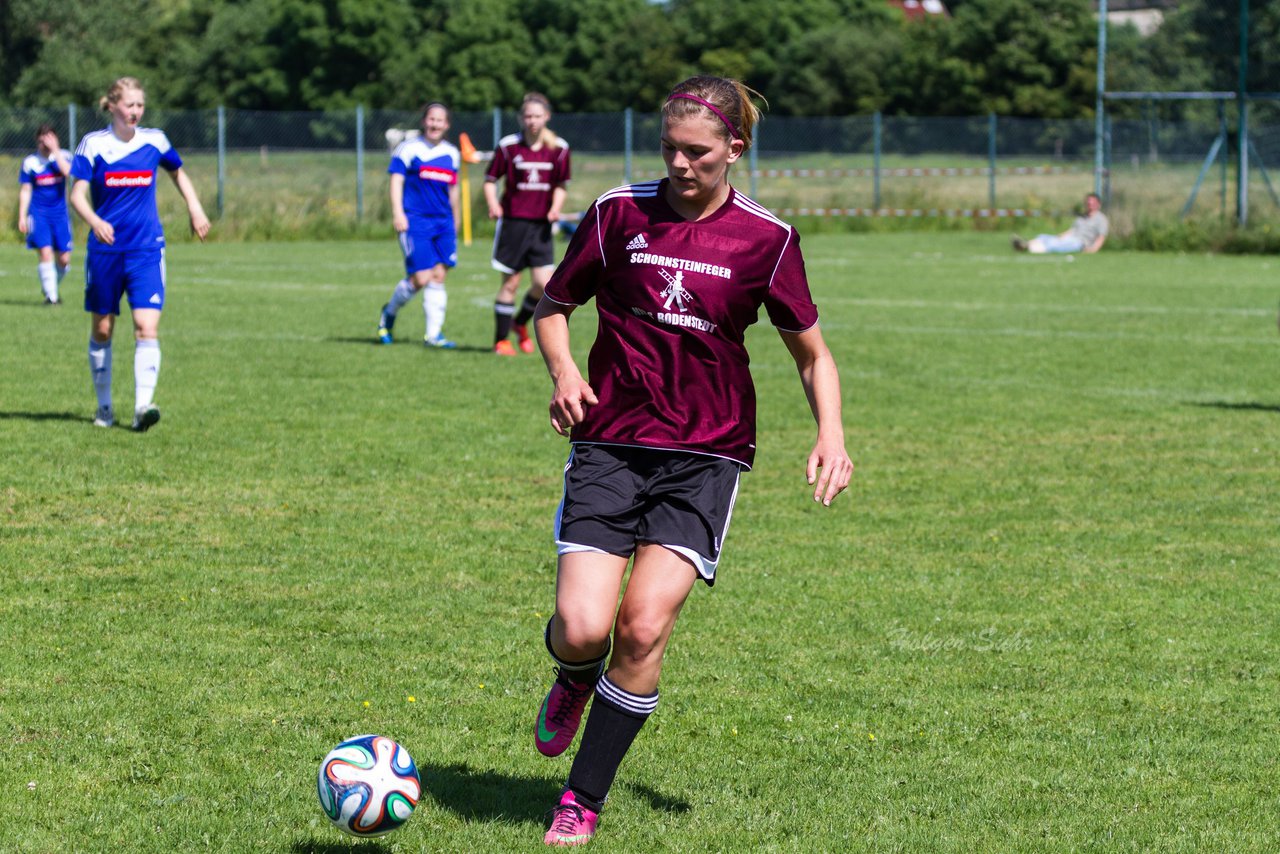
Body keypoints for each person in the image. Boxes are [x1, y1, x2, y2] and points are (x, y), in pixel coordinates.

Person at [530, 75, 853, 846]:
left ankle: (582, 798)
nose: (680, 164)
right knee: (582, 628)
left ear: (734, 150)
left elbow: (811, 354)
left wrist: (831, 433)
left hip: (705, 453)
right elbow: (553, 309)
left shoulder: (765, 239)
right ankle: (574, 676)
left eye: (698, 152)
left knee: (642, 629)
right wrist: (566, 372)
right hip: (610, 441)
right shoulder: (617, 215)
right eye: (670, 148)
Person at [69, 77, 210, 431]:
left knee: (146, 327)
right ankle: (104, 410)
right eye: (129, 105)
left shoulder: (155, 140)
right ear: (113, 106)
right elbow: (76, 195)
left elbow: (179, 173)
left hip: (147, 249)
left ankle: (141, 408)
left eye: (140, 105)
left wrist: (195, 208)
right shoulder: (93, 145)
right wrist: (95, 221)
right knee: (102, 330)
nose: (135, 112)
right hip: (105, 251)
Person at [484, 92, 571, 356]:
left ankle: (519, 323)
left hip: (541, 227)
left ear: (546, 117)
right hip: (513, 224)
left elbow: (561, 185)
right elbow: (490, 179)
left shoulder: (559, 148)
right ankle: (500, 341)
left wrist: (555, 208)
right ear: (521, 118)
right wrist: (493, 204)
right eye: (528, 116)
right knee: (510, 283)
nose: (532, 121)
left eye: (537, 116)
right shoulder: (509, 146)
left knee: (543, 285)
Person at [376, 101, 461, 348]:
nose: (435, 124)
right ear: (424, 121)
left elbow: (453, 190)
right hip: (415, 220)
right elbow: (396, 181)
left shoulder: (451, 153)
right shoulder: (408, 149)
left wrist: (456, 220)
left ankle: (433, 336)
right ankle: (388, 313)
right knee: (421, 277)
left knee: (439, 275)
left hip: (443, 222)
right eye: (431, 119)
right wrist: (397, 213)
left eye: (440, 120)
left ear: (447, 125)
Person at [17, 124, 74, 305]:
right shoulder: (30, 162)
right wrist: (22, 215)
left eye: (49, 138)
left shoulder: (63, 156)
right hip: (38, 214)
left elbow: (68, 173)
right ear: (37, 140)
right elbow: (25, 190)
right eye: (42, 139)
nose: (45, 143)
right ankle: (52, 298)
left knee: (64, 259)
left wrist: (55, 150)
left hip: (60, 215)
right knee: (45, 252)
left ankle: (50, 287)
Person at [1012, 192, 1109, 254]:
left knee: (1055, 244)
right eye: (1088, 203)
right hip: (1071, 238)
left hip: (1080, 243)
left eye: (1092, 203)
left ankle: (1030, 248)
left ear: (1098, 205)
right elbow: (1073, 230)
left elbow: (1101, 238)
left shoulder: (1101, 219)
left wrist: (1093, 250)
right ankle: (1025, 244)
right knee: (1043, 236)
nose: (1090, 205)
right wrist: (1060, 235)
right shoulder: (1082, 217)